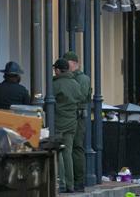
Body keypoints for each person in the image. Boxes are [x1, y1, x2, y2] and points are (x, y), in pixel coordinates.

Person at [53, 58, 84, 194]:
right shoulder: (75, 83)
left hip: (58, 122)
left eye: (55, 70)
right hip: (72, 122)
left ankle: (61, 184)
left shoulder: (56, 84)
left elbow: (49, 101)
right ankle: (70, 185)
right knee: (68, 153)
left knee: (58, 151)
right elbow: (81, 99)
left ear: (58, 70)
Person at [63, 51, 92, 192]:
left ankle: (78, 180)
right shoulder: (70, 78)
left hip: (78, 116)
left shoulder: (82, 78)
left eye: (67, 62)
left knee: (76, 147)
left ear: (74, 63)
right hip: (71, 115)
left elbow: (80, 97)